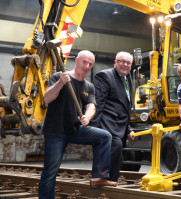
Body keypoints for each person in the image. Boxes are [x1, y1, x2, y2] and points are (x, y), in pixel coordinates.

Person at [38, 50, 117, 199]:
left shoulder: (89, 86)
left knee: (104, 136)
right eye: (84, 62)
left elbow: (91, 106)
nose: (87, 66)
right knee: (50, 171)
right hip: (56, 131)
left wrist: (87, 117)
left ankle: (98, 177)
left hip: (75, 129)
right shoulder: (59, 77)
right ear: (76, 61)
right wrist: (61, 83)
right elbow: (47, 98)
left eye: (90, 64)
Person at [90, 51, 135, 182]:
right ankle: (101, 181)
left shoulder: (127, 79)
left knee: (117, 151)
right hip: (105, 125)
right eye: (122, 61)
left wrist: (128, 129)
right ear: (115, 62)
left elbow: (123, 108)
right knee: (114, 147)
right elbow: (97, 103)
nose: (125, 65)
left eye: (128, 63)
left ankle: (110, 183)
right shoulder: (104, 76)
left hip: (118, 126)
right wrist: (95, 127)